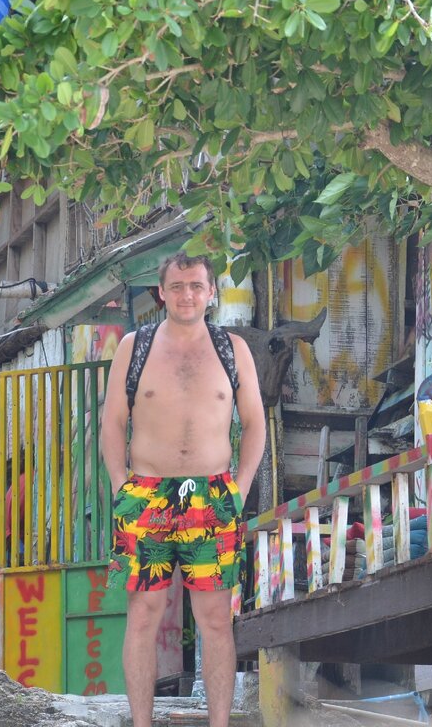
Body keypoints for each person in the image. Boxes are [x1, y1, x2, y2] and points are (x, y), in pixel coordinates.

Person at [101, 250, 266, 727]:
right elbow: (113, 423)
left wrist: (240, 487)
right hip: (146, 495)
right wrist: (120, 485)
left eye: (196, 286)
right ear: (161, 293)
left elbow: (254, 424)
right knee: (144, 615)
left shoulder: (233, 348)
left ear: (211, 292)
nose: (187, 295)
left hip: (212, 497)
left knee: (215, 619)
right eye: (177, 286)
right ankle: (141, 723)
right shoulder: (134, 346)